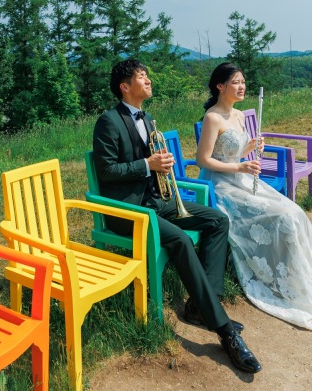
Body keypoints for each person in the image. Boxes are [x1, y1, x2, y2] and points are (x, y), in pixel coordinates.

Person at [92, 58, 262, 374]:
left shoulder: (149, 117)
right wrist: (147, 165)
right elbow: (106, 170)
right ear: (125, 87)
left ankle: (200, 305)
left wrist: (161, 165)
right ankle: (224, 332)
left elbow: (151, 160)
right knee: (181, 240)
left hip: (156, 200)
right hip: (129, 211)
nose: (148, 80)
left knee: (217, 220)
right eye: (141, 76)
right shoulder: (108, 121)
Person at [196, 63, 312, 330]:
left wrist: (250, 147)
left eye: (243, 81)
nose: (242, 86)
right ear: (220, 86)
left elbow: (236, 150)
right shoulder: (213, 118)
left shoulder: (237, 114)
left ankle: (297, 275)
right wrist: (239, 166)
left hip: (241, 177)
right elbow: (203, 160)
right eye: (235, 82)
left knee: (294, 211)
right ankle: (277, 279)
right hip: (222, 186)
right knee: (281, 216)